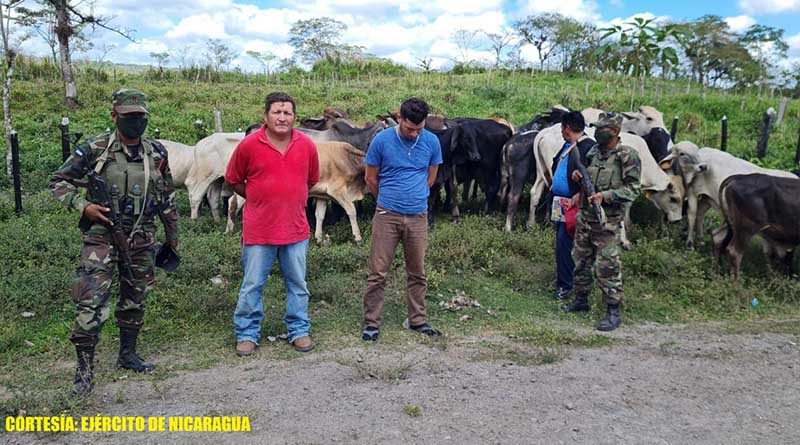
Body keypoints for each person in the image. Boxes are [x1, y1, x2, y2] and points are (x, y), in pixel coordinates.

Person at [50, 88, 179, 396]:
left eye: (140, 117)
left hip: (143, 236)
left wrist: (173, 240)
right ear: (114, 116)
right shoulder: (94, 149)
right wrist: (84, 207)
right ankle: (83, 372)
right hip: (102, 239)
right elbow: (58, 182)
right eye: (128, 117)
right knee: (91, 302)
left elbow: (167, 199)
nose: (135, 122)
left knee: (136, 298)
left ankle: (128, 355)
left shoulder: (156, 152)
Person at [225, 92, 319, 356]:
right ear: (265, 116)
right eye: (276, 112)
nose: (282, 117)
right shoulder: (249, 145)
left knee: (298, 284)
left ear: (294, 117)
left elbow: (310, 181)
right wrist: (258, 197)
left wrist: (288, 197)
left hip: (295, 228)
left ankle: (299, 330)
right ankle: (247, 333)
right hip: (259, 229)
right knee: (253, 283)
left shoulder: (307, 146)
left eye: (287, 112)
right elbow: (234, 179)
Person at [361, 97, 442, 341]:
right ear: (399, 119)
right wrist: (387, 200)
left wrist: (416, 197)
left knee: (417, 272)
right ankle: (371, 323)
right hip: (387, 215)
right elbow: (370, 179)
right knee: (378, 272)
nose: (415, 133)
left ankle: (418, 320)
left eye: (419, 128)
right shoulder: (381, 141)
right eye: (409, 128)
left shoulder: (432, 141)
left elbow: (431, 176)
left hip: (417, 215)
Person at [562, 112, 641, 331]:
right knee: (580, 261)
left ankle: (613, 310)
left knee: (607, 265)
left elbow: (634, 189)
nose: (597, 132)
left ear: (614, 131)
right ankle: (580, 301)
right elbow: (587, 180)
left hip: (607, 221)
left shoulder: (627, 155)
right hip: (585, 217)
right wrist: (579, 183)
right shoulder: (593, 152)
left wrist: (606, 196)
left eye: (602, 128)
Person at [550, 111, 595, 301]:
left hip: (575, 204)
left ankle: (567, 286)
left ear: (567, 128)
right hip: (561, 202)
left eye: (562, 128)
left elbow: (593, 178)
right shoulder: (568, 145)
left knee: (569, 243)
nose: (561, 131)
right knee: (562, 244)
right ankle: (564, 280)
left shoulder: (588, 148)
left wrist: (579, 194)